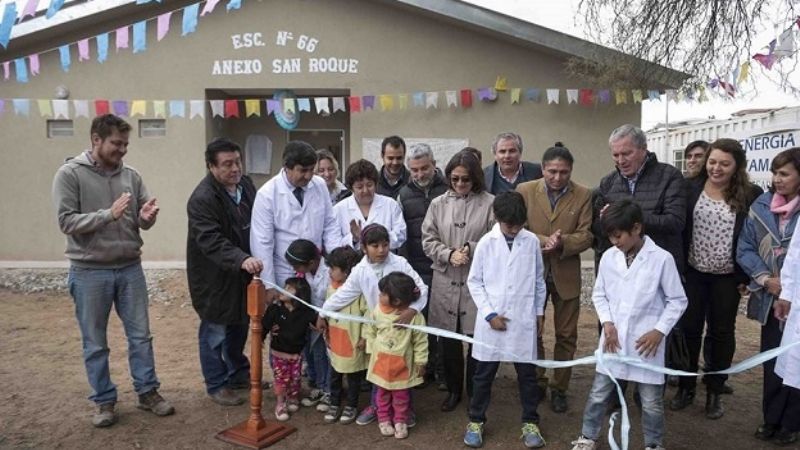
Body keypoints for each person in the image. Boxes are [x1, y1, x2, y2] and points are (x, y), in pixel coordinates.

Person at [52, 114, 174, 427]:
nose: (122, 150)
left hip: (130, 267)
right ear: (96, 140)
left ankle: (148, 392)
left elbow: (139, 220)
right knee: (95, 341)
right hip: (89, 271)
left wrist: (147, 217)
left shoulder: (131, 176)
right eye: (116, 144)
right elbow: (66, 222)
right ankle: (104, 401)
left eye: (125, 144)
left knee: (141, 336)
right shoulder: (69, 174)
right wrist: (108, 214)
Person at [570, 200, 687, 450]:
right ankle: (587, 436)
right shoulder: (610, 258)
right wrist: (608, 323)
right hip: (614, 340)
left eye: (618, 235)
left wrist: (659, 331)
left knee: (651, 401)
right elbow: (599, 294)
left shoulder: (661, 259)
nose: (615, 242)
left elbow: (677, 300)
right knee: (599, 393)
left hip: (647, 345)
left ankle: (654, 444)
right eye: (610, 237)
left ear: (636, 228)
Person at [670, 139, 762, 419]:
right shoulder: (689, 188)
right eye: (712, 161)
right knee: (689, 330)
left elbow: (754, 238)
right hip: (694, 273)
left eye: (724, 163)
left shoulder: (750, 194)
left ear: (737, 167)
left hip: (728, 277)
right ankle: (686, 386)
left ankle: (714, 389)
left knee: (721, 333)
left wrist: (747, 275)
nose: (716, 168)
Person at [320, 224, 428, 426]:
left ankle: (405, 411)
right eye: (375, 245)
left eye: (385, 245)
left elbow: (421, 288)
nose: (381, 250)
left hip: (402, 327)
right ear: (363, 247)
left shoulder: (400, 263)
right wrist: (322, 312)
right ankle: (377, 407)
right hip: (379, 328)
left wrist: (412, 310)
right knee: (379, 369)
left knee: (404, 367)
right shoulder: (360, 271)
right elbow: (344, 294)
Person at [463, 191, 547, 449]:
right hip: (492, 322)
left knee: (527, 375)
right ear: (497, 218)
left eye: (519, 224)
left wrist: (539, 312)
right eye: (509, 224)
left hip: (522, 319)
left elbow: (538, 280)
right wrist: (489, 314)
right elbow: (474, 282)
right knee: (484, 374)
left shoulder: (531, 241)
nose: (514, 229)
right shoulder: (486, 243)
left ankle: (530, 421)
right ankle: (476, 420)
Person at [516, 142, 593, 413]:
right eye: (552, 172)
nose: (558, 178)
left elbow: (587, 234)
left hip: (566, 271)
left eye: (563, 172)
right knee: (532, 331)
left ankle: (560, 387)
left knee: (566, 334)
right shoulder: (525, 191)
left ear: (571, 170)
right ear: (543, 169)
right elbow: (517, 226)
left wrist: (563, 243)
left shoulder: (583, 194)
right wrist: (543, 240)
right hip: (532, 271)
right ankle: (536, 381)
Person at [186, 137, 263, 407]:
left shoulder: (246, 185)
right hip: (214, 277)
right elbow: (211, 240)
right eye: (227, 164)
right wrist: (241, 258)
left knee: (240, 325)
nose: (235, 169)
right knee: (215, 331)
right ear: (211, 167)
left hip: (242, 272)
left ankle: (238, 373)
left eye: (238, 161)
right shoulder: (202, 199)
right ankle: (216, 383)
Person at [421, 150, 494, 412]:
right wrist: (448, 253)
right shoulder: (438, 204)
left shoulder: (489, 203)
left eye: (466, 179)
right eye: (455, 179)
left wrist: (471, 248)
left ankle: (476, 390)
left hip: (477, 282)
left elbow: (495, 238)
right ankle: (453, 389)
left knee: (476, 338)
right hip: (445, 279)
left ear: (475, 178)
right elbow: (427, 239)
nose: (460, 184)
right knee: (449, 342)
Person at [737, 147, 800, 445]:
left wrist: (791, 284)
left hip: (798, 300)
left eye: (785, 173)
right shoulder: (761, 205)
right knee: (772, 359)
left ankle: (792, 422)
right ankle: (771, 419)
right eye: (775, 173)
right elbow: (745, 248)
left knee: (796, 361)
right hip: (771, 299)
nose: (777, 179)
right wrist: (765, 279)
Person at [250, 140, 341, 298]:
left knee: (318, 316)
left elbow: (330, 225)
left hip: (316, 269)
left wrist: (337, 262)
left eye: (311, 170)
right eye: (303, 170)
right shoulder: (267, 194)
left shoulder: (319, 185)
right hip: (285, 271)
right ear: (287, 167)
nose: (308, 176)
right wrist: (268, 284)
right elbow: (262, 243)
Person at [592, 124, 686, 274]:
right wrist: (605, 220)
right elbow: (598, 232)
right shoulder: (608, 182)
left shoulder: (669, 176)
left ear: (643, 149)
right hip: (621, 269)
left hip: (658, 269)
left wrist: (628, 218)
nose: (621, 160)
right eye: (615, 155)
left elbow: (675, 222)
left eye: (627, 153)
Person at [398, 143, 449, 387]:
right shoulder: (403, 194)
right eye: (414, 170)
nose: (420, 174)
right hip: (418, 267)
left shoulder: (448, 187)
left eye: (424, 168)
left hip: (446, 264)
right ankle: (424, 366)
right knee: (423, 318)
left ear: (434, 164)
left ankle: (443, 370)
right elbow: (403, 234)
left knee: (444, 320)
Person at [363, 272, 429, 440]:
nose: (379, 296)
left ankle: (400, 420)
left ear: (397, 301)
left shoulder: (415, 318)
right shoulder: (377, 311)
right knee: (382, 392)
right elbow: (370, 330)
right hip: (381, 363)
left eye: (383, 294)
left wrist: (421, 362)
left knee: (401, 395)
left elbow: (421, 341)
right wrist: (371, 350)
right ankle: (383, 419)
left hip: (402, 365)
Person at [283, 239, 331, 412]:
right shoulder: (304, 274)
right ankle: (318, 385)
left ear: (311, 262)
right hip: (309, 320)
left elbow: (332, 298)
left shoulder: (330, 271)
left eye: (297, 267)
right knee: (310, 353)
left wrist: (322, 316)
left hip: (326, 321)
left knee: (323, 355)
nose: (295, 271)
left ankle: (328, 390)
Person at [262, 277, 318, 421]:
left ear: (299, 294)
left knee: (295, 377)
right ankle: (280, 404)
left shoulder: (305, 312)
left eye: (288, 288)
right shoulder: (275, 309)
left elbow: (317, 322)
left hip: (297, 354)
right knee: (281, 379)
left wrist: (322, 322)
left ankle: (292, 397)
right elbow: (264, 326)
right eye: (284, 286)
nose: (283, 289)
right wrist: (260, 339)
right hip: (279, 353)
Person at [322, 246, 367, 424]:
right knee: (335, 374)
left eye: (333, 269)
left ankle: (351, 406)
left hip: (353, 340)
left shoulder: (359, 291)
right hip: (335, 340)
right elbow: (327, 308)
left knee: (354, 377)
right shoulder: (331, 288)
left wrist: (364, 337)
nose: (330, 272)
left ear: (347, 272)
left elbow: (367, 315)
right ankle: (334, 403)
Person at [333, 159, 406, 250]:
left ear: (376, 184)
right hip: (352, 262)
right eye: (359, 187)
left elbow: (401, 235)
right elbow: (333, 243)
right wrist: (354, 239)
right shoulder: (339, 209)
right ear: (351, 188)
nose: (365, 191)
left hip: (385, 261)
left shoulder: (390, 205)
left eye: (369, 185)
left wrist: (375, 238)